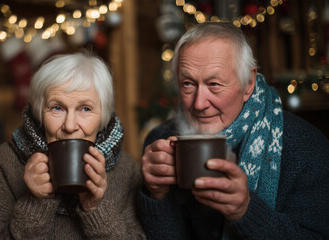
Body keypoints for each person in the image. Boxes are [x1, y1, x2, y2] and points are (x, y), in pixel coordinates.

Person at [137, 22, 329, 239]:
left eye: (214, 84)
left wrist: (246, 210)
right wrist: (156, 195)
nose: (199, 104)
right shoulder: (161, 141)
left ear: (248, 83)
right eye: (188, 84)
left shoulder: (307, 148)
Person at [0, 51, 145, 239]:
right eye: (57, 108)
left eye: (85, 109)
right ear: (40, 112)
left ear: (103, 117)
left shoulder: (127, 169)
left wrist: (95, 209)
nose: (70, 126)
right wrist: (36, 202)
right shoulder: (1, 164)